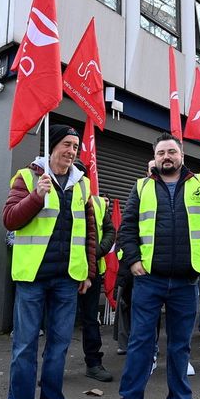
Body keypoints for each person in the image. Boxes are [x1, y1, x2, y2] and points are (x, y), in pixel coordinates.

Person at [109, 134, 200, 399]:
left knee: (180, 346)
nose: (167, 156)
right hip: (148, 279)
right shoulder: (141, 186)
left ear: (181, 155)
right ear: (155, 157)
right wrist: (133, 260)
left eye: (172, 152)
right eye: (162, 152)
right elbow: (127, 227)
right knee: (140, 345)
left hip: (185, 280)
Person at [0, 124, 97, 399]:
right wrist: (36, 196)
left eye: (76, 147)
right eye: (67, 145)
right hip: (32, 278)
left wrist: (88, 272)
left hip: (67, 279)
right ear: (52, 145)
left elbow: (89, 233)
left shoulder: (81, 186)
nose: (72, 151)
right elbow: (10, 219)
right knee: (24, 348)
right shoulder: (27, 178)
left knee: (58, 347)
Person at [76, 164, 117, 383]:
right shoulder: (58, 197)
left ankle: (93, 363)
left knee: (91, 319)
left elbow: (110, 230)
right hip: (64, 272)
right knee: (57, 322)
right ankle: (51, 368)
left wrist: (98, 250)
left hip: (92, 272)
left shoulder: (99, 202)